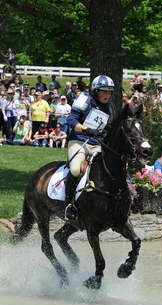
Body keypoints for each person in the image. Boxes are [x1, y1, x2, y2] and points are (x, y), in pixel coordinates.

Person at [64, 75, 115, 221]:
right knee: (75, 169)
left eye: (109, 92)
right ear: (96, 91)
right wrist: (86, 129)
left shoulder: (109, 107)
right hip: (79, 141)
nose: (107, 95)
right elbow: (70, 120)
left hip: (96, 144)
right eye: (104, 91)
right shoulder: (84, 99)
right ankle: (69, 205)